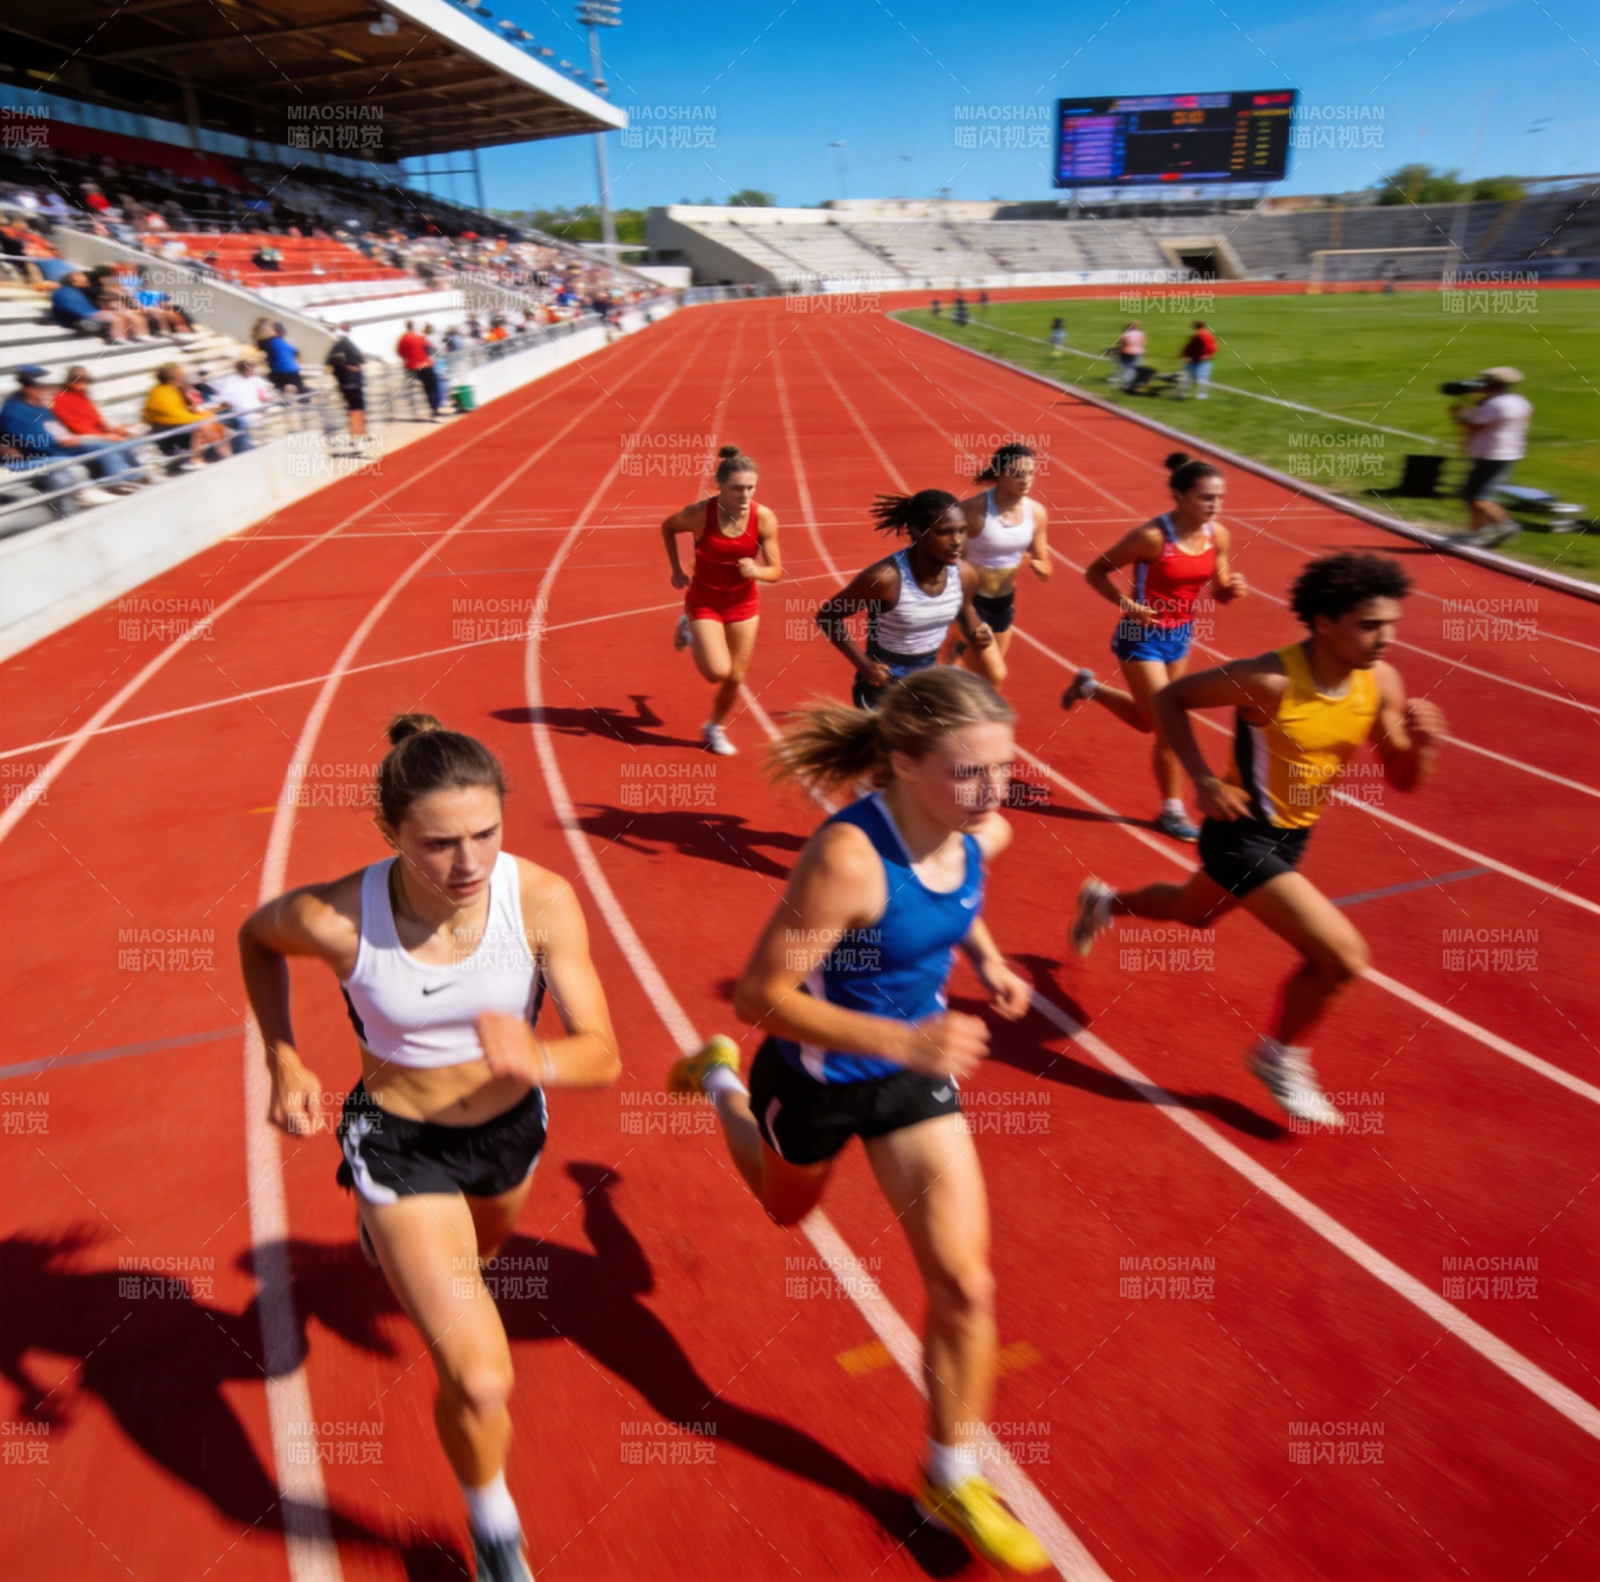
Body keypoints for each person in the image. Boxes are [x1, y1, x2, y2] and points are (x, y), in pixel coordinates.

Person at [666, 669, 1049, 1574]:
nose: (992, 791)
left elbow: (966, 887)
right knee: (783, 1206)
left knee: (966, 1284)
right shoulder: (846, 860)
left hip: (910, 1086)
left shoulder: (978, 826)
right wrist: (903, 1040)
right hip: (821, 1073)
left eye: (1003, 768)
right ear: (905, 765)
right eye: (969, 773)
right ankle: (721, 1081)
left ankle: (948, 1475)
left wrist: (987, 960)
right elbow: (762, 997)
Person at [240, 714, 620, 1582]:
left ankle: (409, 1247)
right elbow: (257, 940)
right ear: (390, 834)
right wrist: (285, 1056)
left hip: (510, 1138)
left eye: (486, 832)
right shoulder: (340, 916)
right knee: (482, 1378)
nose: (470, 863)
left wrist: (541, 1057)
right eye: (438, 843)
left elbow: (602, 1052)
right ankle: (493, 1528)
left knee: (479, 1267)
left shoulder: (541, 900)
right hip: (400, 1144)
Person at [1070, 553, 1447, 1127]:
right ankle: (1280, 1058)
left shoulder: (1382, 682)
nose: (1385, 638)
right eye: (1369, 625)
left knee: (1190, 913)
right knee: (1342, 959)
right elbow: (1171, 699)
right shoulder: (1266, 678)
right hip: (1240, 833)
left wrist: (1422, 747)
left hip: (1294, 837)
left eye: (1391, 624)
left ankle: (1105, 902)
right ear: (1324, 623)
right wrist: (1201, 778)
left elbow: (1402, 780)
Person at [1061, 453, 1245, 841]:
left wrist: (1230, 589)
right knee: (1168, 727)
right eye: (1206, 497)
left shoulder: (1219, 536)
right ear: (1179, 496)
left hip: (1180, 636)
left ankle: (1087, 688)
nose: (1215, 505)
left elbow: (1220, 586)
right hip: (1140, 637)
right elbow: (1096, 572)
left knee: (1150, 721)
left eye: (1220, 498)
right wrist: (1129, 605)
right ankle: (1172, 810)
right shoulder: (1151, 537)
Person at [815, 490, 994, 711]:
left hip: (926, 682)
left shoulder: (965, 574)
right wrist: (864, 665)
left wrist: (976, 630)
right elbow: (828, 616)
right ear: (917, 532)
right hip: (882, 687)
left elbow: (965, 608)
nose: (956, 541)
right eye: (944, 532)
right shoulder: (884, 579)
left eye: (962, 531)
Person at [661, 445, 783, 755]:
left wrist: (756, 570)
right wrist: (676, 569)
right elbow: (668, 527)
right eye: (737, 488)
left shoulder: (764, 518)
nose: (744, 495)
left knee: (735, 677)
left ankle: (715, 726)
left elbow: (776, 571)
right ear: (720, 486)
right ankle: (689, 627)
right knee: (717, 671)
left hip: (743, 605)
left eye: (750, 487)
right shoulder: (701, 514)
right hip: (705, 601)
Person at [941, 442, 1051, 687]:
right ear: (999, 474)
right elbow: (948, 556)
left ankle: (955, 653)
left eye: (1030, 473)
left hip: (1003, 604)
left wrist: (1041, 565)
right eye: (1018, 474)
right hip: (969, 602)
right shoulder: (973, 511)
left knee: (987, 679)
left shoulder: (1036, 512)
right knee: (994, 676)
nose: (1026, 480)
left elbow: (1042, 556)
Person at [1447, 367, 1532, 548]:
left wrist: (1457, 413)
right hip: (1504, 453)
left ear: (1493, 384)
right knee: (1471, 494)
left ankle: (1507, 525)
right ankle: (1476, 532)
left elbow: (1473, 424)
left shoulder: (1495, 404)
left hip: (1492, 455)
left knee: (1478, 497)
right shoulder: (1519, 401)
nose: (1480, 384)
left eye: (1484, 381)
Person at [1, 367, 88, 515]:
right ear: (29, 389)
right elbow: (33, 442)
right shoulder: (13, 410)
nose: (45, 392)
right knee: (60, 461)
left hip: (34, 460)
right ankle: (79, 501)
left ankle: (70, 517)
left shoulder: (39, 408)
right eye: (40, 388)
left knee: (59, 476)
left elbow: (52, 428)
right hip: (13, 465)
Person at [50, 366, 146, 491]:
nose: (84, 385)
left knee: (125, 440)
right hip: (78, 439)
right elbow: (76, 427)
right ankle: (117, 482)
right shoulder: (60, 399)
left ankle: (139, 472)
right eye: (79, 381)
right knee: (108, 446)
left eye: (86, 381)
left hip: (93, 435)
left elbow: (97, 421)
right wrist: (105, 436)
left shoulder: (83, 397)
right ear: (69, 382)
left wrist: (113, 429)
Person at [142, 362, 227, 471]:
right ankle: (199, 459)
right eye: (180, 372)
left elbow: (187, 410)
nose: (184, 374)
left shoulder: (172, 389)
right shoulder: (161, 392)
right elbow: (176, 415)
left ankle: (221, 454)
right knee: (204, 427)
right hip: (163, 426)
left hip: (173, 422)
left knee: (220, 427)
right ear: (174, 376)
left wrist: (203, 414)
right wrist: (202, 418)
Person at [50, 271, 145, 342]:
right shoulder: (65, 292)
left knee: (126, 315)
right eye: (80, 276)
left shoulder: (79, 291)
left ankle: (130, 337)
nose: (84, 277)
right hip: (80, 318)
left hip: (91, 312)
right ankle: (119, 339)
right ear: (72, 280)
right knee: (118, 318)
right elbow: (75, 309)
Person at [205, 359, 275, 453]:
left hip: (251, 414)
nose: (253, 371)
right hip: (245, 415)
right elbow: (226, 401)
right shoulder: (234, 382)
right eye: (251, 368)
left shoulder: (248, 380)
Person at [324, 323, 368, 447]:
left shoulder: (340, 345)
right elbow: (332, 363)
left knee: (356, 408)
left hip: (349, 381)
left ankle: (360, 434)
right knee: (355, 408)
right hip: (350, 382)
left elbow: (330, 364)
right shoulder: (343, 345)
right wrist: (351, 369)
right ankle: (356, 436)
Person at [398, 320, 442, 418]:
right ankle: (435, 407)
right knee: (433, 386)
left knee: (425, 387)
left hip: (413, 366)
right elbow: (429, 347)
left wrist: (409, 358)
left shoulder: (404, 338)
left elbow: (401, 352)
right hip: (425, 364)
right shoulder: (419, 336)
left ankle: (430, 408)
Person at [261, 323, 306, 396]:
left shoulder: (282, 342)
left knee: (293, 391)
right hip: (283, 372)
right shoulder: (272, 342)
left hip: (288, 372)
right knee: (292, 391)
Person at [1178, 320, 1217, 399]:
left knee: (1187, 377)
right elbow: (1214, 347)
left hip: (1196, 359)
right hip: (1204, 359)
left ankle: (1182, 394)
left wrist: (1184, 354)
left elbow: (1190, 347)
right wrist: (1209, 355)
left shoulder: (1199, 335)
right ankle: (1202, 396)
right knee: (1203, 378)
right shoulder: (1209, 335)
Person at [1113, 322, 1145, 390]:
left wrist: (1116, 351)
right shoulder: (1141, 334)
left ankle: (1125, 378)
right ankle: (1133, 378)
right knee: (1136, 366)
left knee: (1126, 366)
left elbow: (1122, 344)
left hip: (1126, 351)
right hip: (1138, 351)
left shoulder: (1125, 335)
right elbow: (1143, 342)